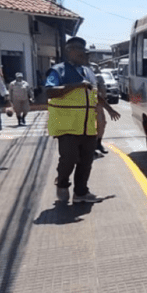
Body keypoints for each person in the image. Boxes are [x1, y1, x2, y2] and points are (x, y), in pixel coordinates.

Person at [46, 37, 120, 203]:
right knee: (69, 158)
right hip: (67, 125)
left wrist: (109, 109)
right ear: (69, 51)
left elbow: (94, 95)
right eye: (79, 49)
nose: (83, 53)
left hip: (88, 125)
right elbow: (49, 91)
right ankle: (62, 183)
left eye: (84, 50)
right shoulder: (58, 71)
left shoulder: (88, 71)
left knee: (86, 160)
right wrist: (75, 86)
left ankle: (81, 192)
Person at [93, 65, 110, 157]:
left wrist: (105, 100)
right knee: (91, 126)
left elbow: (103, 90)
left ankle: (98, 143)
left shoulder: (99, 77)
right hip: (89, 105)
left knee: (102, 124)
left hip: (99, 105)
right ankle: (91, 147)